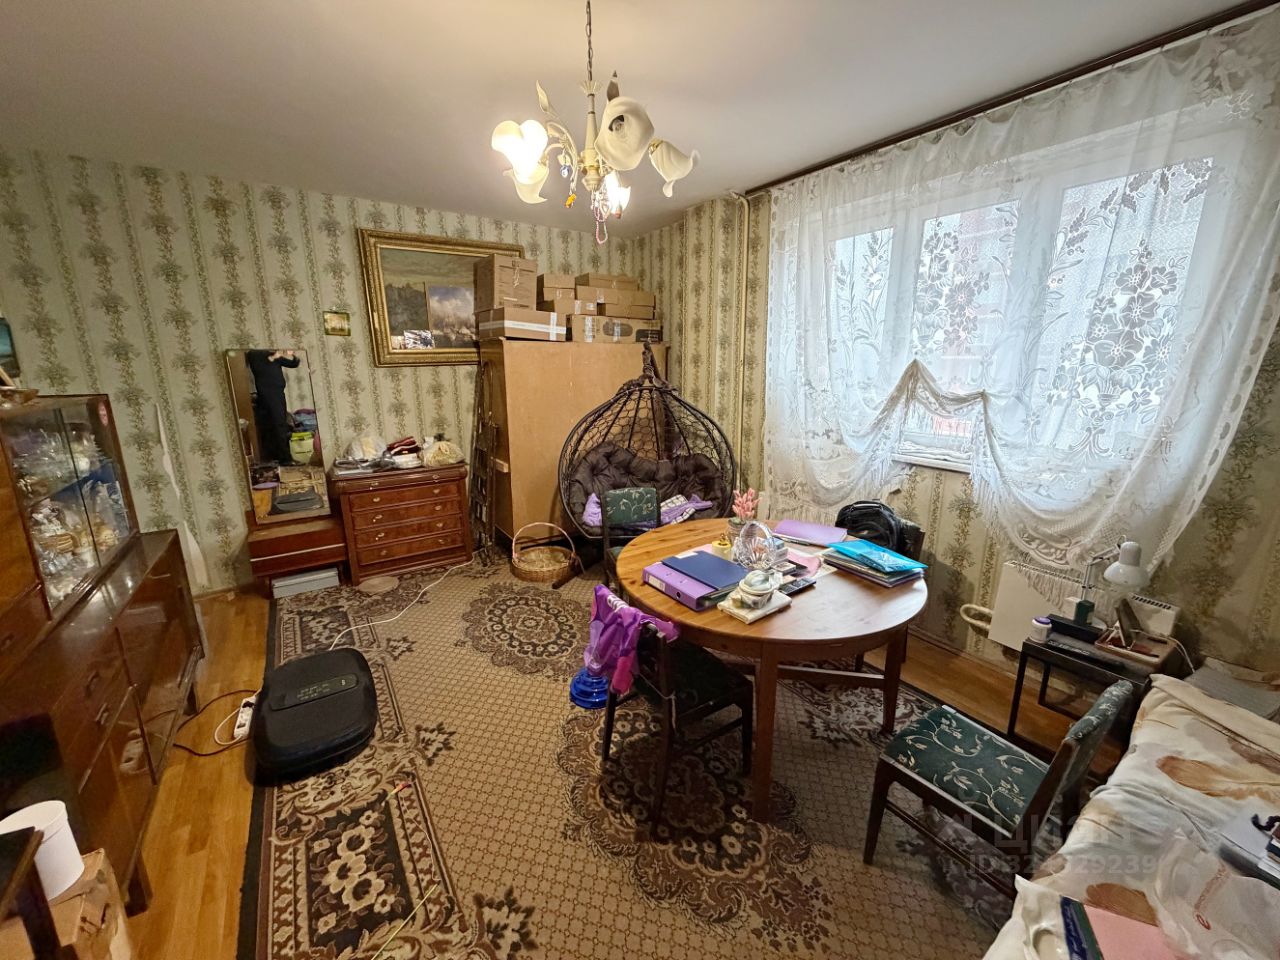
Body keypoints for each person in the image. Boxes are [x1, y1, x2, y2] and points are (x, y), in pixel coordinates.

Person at [246, 349, 301, 465]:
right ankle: (285, 459)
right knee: (278, 424)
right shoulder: (256, 354)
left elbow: (294, 363)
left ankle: (282, 457)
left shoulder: (273, 356)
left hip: (278, 392)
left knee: (281, 423)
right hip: (268, 394)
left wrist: (292, 354)